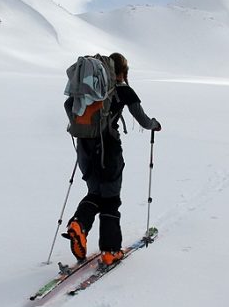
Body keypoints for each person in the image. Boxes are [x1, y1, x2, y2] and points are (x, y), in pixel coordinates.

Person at [63, 53, 161, 266]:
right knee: (110, 199)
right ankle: (110, 251)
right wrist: (155, 125)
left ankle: (79, 224)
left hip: (84, 148)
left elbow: (68, 105)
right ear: (122, 72)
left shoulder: (88, 91)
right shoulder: (124, 90)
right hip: (109, 150)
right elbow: (143, 120)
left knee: (95, 193)